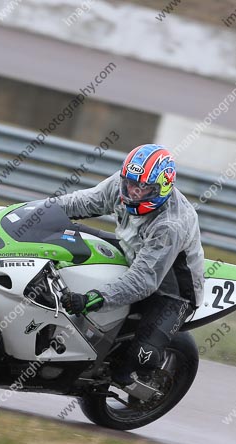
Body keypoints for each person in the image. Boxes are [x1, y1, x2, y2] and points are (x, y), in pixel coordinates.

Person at [54, 144, 205, 386]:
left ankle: (138, 383)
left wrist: (91, 299)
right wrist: (39, 210)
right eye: (130, 184)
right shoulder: (122, 183)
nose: (133, 192)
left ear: (162, 187)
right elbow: (83, 202)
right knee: (67, 235)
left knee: (142, 357)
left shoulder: (170, 224)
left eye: (143, 188)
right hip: (133, 252)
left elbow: (144, 281)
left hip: (171, 290)